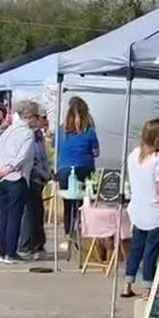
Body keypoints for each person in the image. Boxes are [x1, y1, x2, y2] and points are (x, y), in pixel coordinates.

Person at [122, 119, 159, 298]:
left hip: (137, 208)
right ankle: (148, 288)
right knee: (151, 251)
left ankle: (127, 283)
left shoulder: (133, 155)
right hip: (155, 211)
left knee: (136, 248)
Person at [0, 100, 44, 264]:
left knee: (3, 216)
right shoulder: (27, 133)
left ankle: (2, 251)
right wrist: (8, 169)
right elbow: (23, 157)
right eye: (37, 117)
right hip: (16, 177)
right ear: (30, 117)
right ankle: (11, 252)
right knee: (14, 216)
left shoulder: (8, 130)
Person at [56, 97, 100, 238]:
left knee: (68, 206)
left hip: (64, 170)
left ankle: (69, 236)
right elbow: (96, 152)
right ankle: (82, 235)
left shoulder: (61, 131)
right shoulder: (89, 131)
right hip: (84, 169)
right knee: (84, 205)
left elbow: (56, 148)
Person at [18, 125, 50, 259]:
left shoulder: (39, 137)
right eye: (40, 117)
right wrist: (44, 174)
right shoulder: (28, 136)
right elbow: (32, 161)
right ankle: (25, 246)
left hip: (39, 179)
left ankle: (38, 244)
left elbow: (43, 159)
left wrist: (48, 172)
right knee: (30, 213)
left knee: (38, 212)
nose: (43, 120)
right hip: (31, 178)